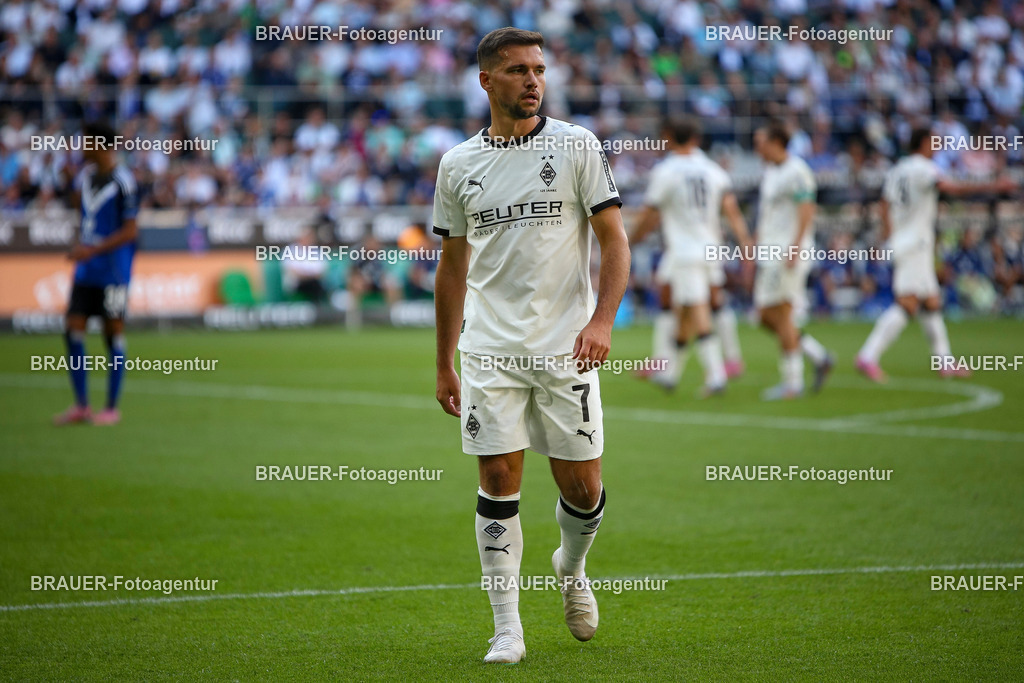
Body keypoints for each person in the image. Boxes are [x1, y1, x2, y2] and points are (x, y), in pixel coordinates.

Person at [432, 27, 630, 664]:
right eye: (517, 70)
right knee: (496, 475)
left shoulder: (576, 146)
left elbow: (615, 242)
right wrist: (444, 361)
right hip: (488, 348)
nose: (533, 81)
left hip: (566, 348)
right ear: (486, 80)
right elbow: (452, 268)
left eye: (539, 70)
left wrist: (602, 322)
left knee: (581, 489)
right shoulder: (458, 164)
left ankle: (570, 568)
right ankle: (506, 629)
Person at [856, 126, 1014, 381]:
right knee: (907, 303)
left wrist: (889, 235)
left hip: (906, 242)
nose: (938, 146)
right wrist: (995, 185)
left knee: (931, 303)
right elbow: (951, 188)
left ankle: (945, 362)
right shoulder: (924, 168)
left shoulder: (897, 170)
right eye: (934, 141)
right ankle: (868, 356)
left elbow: (884, 204)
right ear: (924, 142)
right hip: (916, 245)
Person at [631, 117, 752, 396]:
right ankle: (669, 372)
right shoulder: (714, 170)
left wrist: (629, 241)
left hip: (685, 250)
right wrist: (745, 244)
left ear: (670, 138)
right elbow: (731, 211)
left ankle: (717, 374)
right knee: (682, 305)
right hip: (711, 248)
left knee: (697, 306)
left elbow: (651, 214)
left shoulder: (666, 171)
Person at [54, 121, 139, 426]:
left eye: (86, 142)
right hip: (86, 270)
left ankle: (111, 407)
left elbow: (130, 231)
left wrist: (93, 249)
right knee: (73, 327)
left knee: (112, 332)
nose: (82, 148)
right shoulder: (86, 177)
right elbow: (84, 212)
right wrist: (66, 185)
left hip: (114, 272)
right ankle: (81, 404)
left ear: (101, 146)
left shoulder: (124, 182)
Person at [752, 119, 834, 400]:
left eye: (760, 142)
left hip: (786, 252)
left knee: (783, 313)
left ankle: (792, 382)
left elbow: (806, 209)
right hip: (769, 252)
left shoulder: (797, 170)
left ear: (775, 142)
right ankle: (818, 355)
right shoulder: (772, 172)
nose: (757, 148)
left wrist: (795, 247)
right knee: (764, 316)